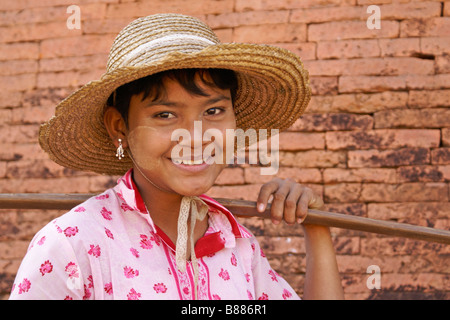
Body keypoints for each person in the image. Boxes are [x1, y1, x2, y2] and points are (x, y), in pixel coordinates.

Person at [9, 14, 343, 300]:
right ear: (119, 127)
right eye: (165, 115)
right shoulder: (72, 246)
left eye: (214, 110)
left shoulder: (237, 247)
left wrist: (316, 228)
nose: (195, 136)